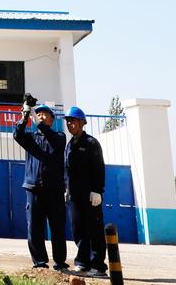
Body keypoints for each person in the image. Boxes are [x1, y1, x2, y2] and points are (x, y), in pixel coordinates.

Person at [13, 103, 68, 271]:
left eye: (45, 114)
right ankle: (39, 262)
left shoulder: (59, 137)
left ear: (52, 119)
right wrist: (25, 116)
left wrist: (38, 122)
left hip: (54, 191)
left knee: (57, 227)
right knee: (34, 227)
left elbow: (52, 137)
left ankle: (60, 262)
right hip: (34, 188)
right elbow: (17, 134)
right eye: (39, 114)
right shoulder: (31, 139)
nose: (42, 116)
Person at [63, 106, 108, 277]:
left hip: (90, 196)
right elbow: (66, 170)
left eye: (73, 121)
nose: (70, 124)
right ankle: (83, 263)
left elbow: (99, 168)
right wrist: (66, 188)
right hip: (74, 195)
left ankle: (98, 265)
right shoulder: (70, 145)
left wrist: (97, 190)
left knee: (94, 230)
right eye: (68, 121)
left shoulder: (91, 143)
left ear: (82, 123)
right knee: (78, 229)